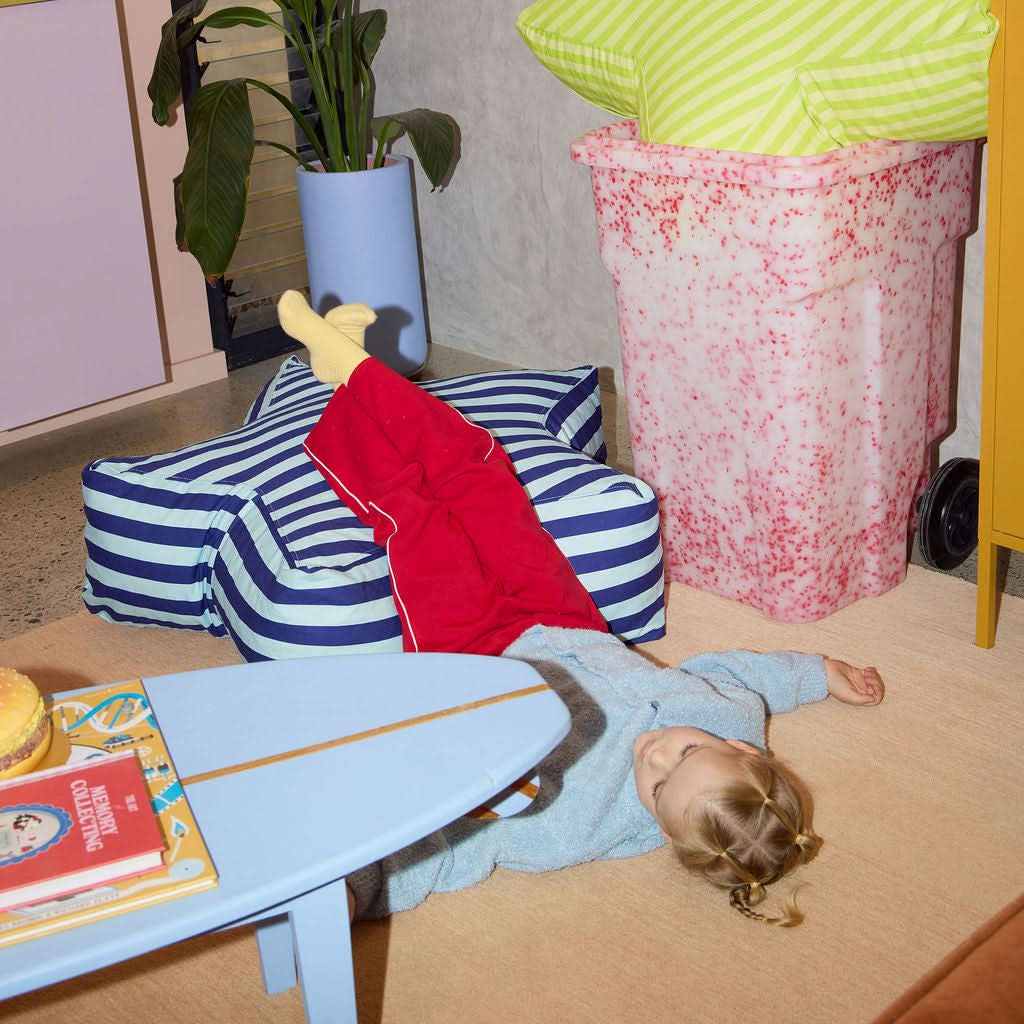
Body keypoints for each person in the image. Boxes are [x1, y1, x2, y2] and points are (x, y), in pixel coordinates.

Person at [277, 291, 885, 927]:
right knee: (483, 475)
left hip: (476, 659)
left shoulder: (574, 827)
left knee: (418, 520)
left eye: (657, 790)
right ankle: (350, 370)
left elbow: (462, 837)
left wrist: (364, 888)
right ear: (741, 747)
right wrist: (820, 672)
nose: (654, 754)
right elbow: (750, 678)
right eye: (684, 751)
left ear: (665, 833)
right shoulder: (726, 710)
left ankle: (345, 379)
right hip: (565, 618)